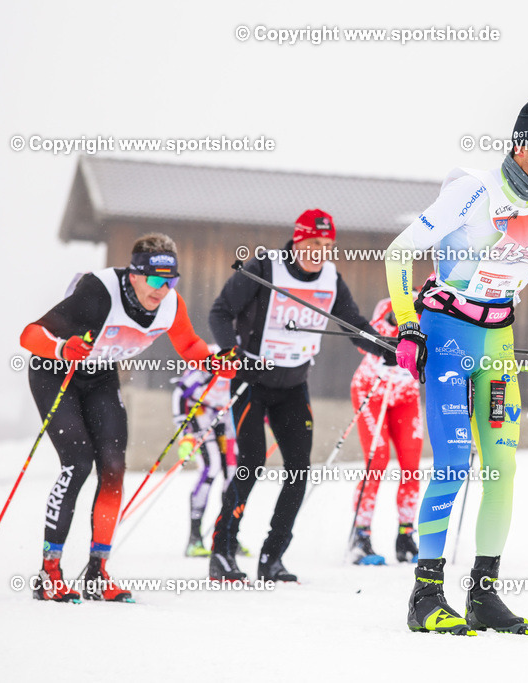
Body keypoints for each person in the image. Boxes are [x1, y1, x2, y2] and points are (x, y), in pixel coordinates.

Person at [385, 99, 528, 635]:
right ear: (522, 144)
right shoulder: (471, 190)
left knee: (502, 467)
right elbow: (399, 253)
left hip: (497, 340)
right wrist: (407, 325)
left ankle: (483, 593)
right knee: (452, 463)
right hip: (447, 336)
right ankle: (425, 595)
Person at [20, 233, 235, 603]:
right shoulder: (99, 291)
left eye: (171, 281)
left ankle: (97, 573)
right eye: (154, 280)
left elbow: (188, 345)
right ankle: (50, 572)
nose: (162, 290)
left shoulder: (170, 305)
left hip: (100, 375)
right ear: (134, 274)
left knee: (115, 467)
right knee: (78, 463)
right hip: (56, 371)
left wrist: (214, 364)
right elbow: (29, 334)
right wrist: (60, 347)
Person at [208, 209, 395, 583]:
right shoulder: (264, 268)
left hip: (294, 385)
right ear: (297, 240)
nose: (319, 252)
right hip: (252, 381)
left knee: (298, 470)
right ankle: (223, 553)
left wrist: (388, 348)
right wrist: (229, 350)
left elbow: (354, 326)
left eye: (326, 245)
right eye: (312, 243)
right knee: (251, 463)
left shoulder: (330, 278)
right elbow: (220, 312)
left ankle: (272, 558)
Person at [348, 297, 422, 566]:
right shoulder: (390, 303)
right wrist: (395, 321)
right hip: (372, 388)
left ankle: (406, 536)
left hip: (405, 395)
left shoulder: (441, 307)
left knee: (411, 465)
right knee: (377, 460)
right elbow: (367, 340)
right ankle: (361, 536)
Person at [170, 367, 246, 558]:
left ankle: (228, 537)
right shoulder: (215, 359)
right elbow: (180, 392)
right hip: (201, 409)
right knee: (211, 467)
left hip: (227, 411)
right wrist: (185, 433)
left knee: (233, 471)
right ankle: (194, 539)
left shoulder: (248, 359)